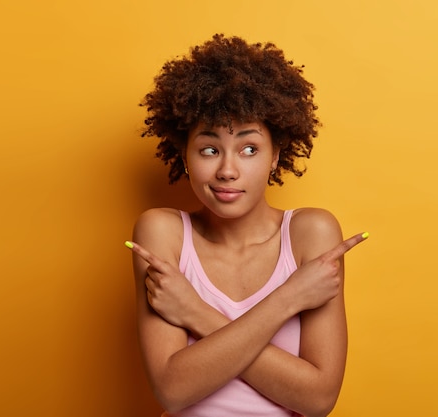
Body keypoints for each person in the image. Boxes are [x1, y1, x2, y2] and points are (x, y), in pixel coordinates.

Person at [125, 34, 368, 417]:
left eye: (249, 148)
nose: (227, 170)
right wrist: (289, 298)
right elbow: (172, 390)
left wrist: (194, 313)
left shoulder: (311, 233)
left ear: (275, 156)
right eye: (209, 149)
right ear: (184, 155)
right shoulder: (163, 232)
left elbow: (318, 399)